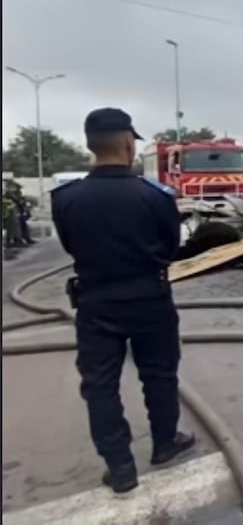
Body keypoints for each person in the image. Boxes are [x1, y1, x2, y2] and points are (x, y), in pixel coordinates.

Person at [50, 108, 194, 494]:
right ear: (129, 143)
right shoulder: (155, 196)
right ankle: (165, 443)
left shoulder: (65, 199)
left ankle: (120, 467)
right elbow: (170, 247)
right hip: (150, 298)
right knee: (160, 374)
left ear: (88, 146)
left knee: (100, 385)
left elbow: (70, 244)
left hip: (96, 301)